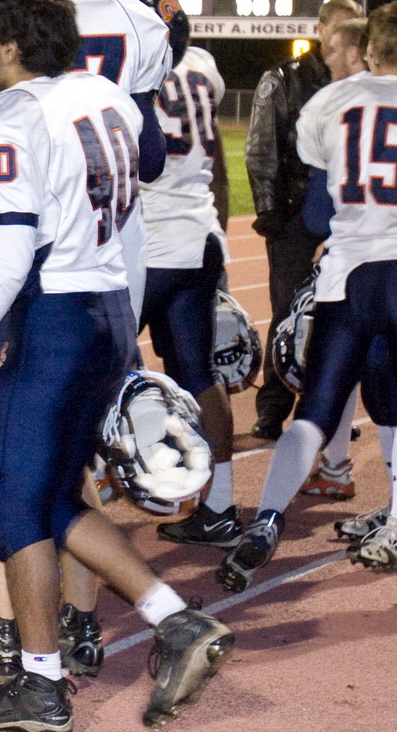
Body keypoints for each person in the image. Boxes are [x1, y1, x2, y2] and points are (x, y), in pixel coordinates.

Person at [0, 0, 233, 730]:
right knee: (58, 493)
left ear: (9, 43)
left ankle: (41, 686)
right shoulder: (107, 96)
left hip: (51, 317)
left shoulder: (4, 119)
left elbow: (6, 259)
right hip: (109, 310)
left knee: (10, 502)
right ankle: (174, 618)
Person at [0, 0, 170, 677]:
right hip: (113, 280)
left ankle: (19, 641)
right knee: (72, 470)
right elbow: (151, 157)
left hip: (40, 294)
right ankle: (95, 624)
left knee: (14, 484)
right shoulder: (119, 63)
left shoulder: (1, 94)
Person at [219, 0, 397, 608]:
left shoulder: (332, 104)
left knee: (313, 413)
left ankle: (265, 522)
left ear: (370, 50)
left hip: (346, 280)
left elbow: (315, 214)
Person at [139, 40, 245, 549]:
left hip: (147, 240)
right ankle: (220, 506)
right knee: (198, 373)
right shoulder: (201, 64)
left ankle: (70, 497)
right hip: (199, 236)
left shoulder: (125, 61)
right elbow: (218, 162)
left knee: (86, 370)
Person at [244, 0, 363, 439]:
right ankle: (272, 408)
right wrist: (269, 209)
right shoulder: (285, 79)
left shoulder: (363, 82)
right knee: (287, 313)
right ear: (320, 30)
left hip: (347, 217)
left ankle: (328, 409)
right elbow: (262, 147)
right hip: (295, 215)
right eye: (339, 29)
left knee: (338, 317)